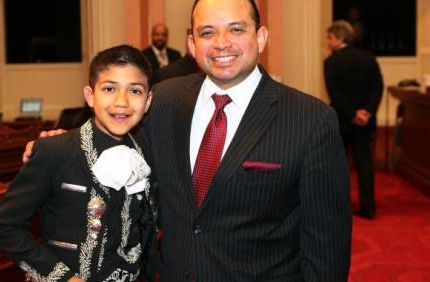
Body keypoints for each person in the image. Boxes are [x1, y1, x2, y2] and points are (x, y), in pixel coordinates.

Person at [25, 0, 352, 280]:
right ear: (192, 44)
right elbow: (116, 148)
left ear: (261, 37)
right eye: (207, 32)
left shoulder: (310, 120)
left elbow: (326, 248)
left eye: (236, 29)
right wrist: (59, 147)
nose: (222, 43)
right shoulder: (163, 100)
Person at [0, 45, 157, 282]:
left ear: (148, 100)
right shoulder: (55, 150)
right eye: (109, 88)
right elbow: (4, 228)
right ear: (90, 95)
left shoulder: (147, 153)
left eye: (135, 91)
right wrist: (64, 278)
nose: (122, 102)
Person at [324, 20, 383, 220]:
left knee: (340, 165)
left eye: (330, 37)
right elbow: (377, 88)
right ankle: (369, 207)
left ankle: (340, 208)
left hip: (342, 120)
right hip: (365, 121)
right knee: (364, 163)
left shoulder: (331, 62)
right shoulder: (368, 58)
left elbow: (335, 94)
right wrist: (366, 112)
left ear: (339, 38)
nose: (328, 41)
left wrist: (351, 114)